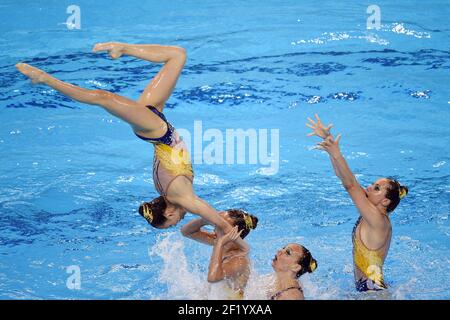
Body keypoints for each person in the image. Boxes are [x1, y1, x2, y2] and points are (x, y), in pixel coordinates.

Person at [16, 42, 234, 233]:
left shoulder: (178, 197)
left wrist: (225, 230)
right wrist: (224, 231)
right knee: (177, 55)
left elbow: (209, 215)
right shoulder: (172, 195)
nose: (179, 221)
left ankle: (44, 78)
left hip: (156, 131)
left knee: (104, 98)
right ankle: (123, 48)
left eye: (173, 223)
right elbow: (209, 216)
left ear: (168, 214)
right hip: (158, 127)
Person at [306, 114, 408, 292]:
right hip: (369, 287)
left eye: (376, 188)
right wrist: (328, 140)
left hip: (372, 291)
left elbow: (351, 184)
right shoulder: (372, 211)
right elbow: (343, 177)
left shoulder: (378, 219)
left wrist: (336, 151)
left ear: (385, 201)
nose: (369, 187)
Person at [181, 209, 258, 299]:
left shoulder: (238, 260)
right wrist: (205, 220)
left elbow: (213, 278)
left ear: (233, 233)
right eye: (216, 223)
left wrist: (219, 243)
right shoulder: (221, 241)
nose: (214, 228)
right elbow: (186, 232)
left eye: (220, 225)